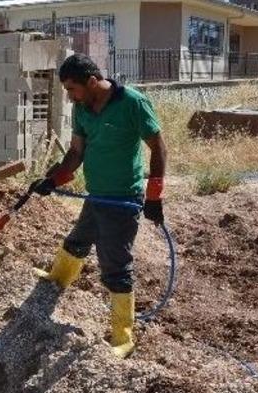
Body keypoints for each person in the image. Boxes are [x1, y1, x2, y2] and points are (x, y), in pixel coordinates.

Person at [30, 53, 167, 359]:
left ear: (92, 82)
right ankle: (58, 279)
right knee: (78, 239)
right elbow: (76, 153)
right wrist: (54, 180)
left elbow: (159, 148)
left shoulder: (132, 103)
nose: (69, 96)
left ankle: (123, 336)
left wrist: (154, 195)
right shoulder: (82, 108)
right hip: (96, 195)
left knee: (115, 264)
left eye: (72, 89)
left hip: (122, 199)